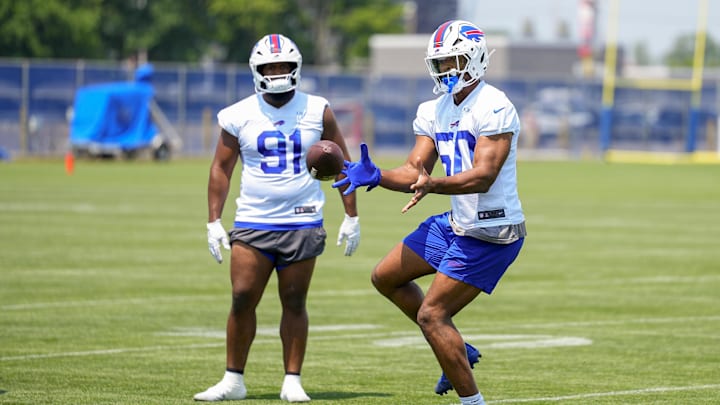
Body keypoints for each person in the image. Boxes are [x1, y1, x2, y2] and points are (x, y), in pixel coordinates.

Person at [333, 20, 526, 405]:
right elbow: (414, 172)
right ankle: (459, 350)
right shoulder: (433, 109)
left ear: (474, 59)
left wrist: (434, 185)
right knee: (385, 277)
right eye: (440, 62)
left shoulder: (495, 106)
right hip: (457, 222)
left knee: (432, 316)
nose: (446, 69)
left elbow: (484, 176)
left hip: (492, 230)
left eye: (453, 60)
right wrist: (378, 175)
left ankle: (473, 402)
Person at [196, 33, 360, 403]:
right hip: (253, 219)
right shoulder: (238, 113)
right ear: (257, 71)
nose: (277, 72)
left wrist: (351, 215)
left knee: (295, 300)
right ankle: (233, 379)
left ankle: (292, 379)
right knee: (241, 297)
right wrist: (213, 220)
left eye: (283, 66)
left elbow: (342, 165)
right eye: (270, 67)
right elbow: (221, 168)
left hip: (302, 219)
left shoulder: (318, 109)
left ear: (296, 68)